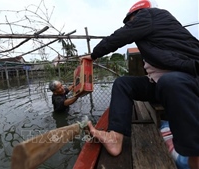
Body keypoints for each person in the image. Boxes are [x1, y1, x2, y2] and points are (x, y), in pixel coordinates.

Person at [81, 0, 199, 168]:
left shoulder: (151, 15)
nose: (131, 25)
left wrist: (93, 55)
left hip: (189, 79)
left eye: (131, 21)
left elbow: (120, 36)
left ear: (136, 15)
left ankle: (194, 156)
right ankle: (115, 138)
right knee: (123, 84)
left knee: (170, 81)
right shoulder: (153, 37)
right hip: (160, 85)